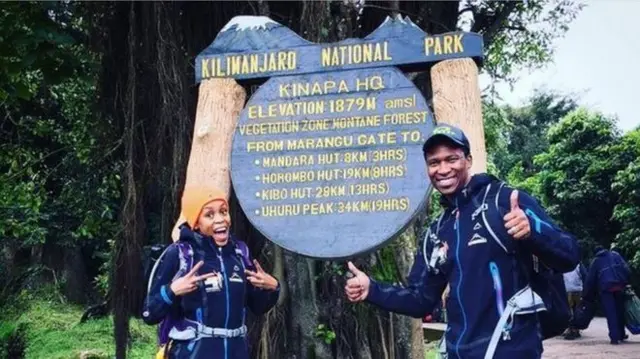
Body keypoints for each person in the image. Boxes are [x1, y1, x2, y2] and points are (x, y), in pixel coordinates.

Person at [344, 124, 580, 358]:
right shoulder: (437, 231)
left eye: (452, 159)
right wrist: (373, 290)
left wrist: (533, 233)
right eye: (434, 162)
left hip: (511, 349)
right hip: (458, 352)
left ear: (468, 160)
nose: (443, 169)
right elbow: (421, 300)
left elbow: (569, 256)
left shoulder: (505, 201)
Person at [143, 186, 280, 359]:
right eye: (209, 215)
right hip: (193, 352)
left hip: (236, 352)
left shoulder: (239, 253)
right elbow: (149, 313)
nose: (220, 219)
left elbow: (258, 306)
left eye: (224, 211)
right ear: (196, 222)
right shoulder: (180, 254)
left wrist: (273, 287)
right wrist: (172, 290)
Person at [584, 245, 631, 344]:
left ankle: (614, 338)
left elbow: (590, 280)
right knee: (620, 311)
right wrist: (625, 282)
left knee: (611, 313)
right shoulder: (615, 255)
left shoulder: (596, 261)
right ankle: (621, 334)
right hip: (619, 286)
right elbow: (627, 269)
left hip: (606, 289)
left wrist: (587, 295)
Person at [562, 263, 587, 340]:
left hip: (567, 289)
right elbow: (585, 276)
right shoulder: (579, 264)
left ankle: (570, 329)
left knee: (569, 310)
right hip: (578, 289)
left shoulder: (562, 264)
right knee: (578, 310)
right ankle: (576, 329)